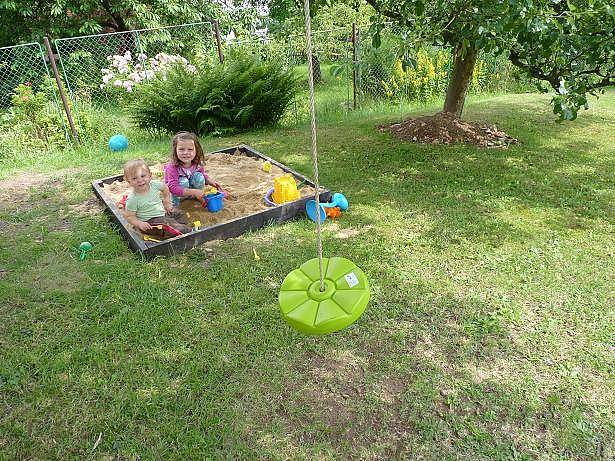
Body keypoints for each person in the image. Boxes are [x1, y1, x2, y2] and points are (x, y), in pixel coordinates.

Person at [123, 159, 192, 236]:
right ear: (128, 181)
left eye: (143, 176)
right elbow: (130, 216)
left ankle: (181, 228)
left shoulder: (154, 185)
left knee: (179, 213)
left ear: (150, 175)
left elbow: (165, 188)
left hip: (163, 213)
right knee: (167, 224)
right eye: (134, 178)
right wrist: (139, 223)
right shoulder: (133, 199)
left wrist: (167, 202)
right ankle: (185, 231)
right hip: (150, 223)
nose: (140, 180)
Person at [164, 131, 221, 206]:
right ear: (175, 150)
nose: (186, 152)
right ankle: (175, 204)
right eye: (181, 149)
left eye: (190, 149)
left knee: (199, 177)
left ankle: (197, 196)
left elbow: (203, 175)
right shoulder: (172, 166)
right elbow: (173, 188)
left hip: (190, 189)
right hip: (176, 192)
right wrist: (195, 192)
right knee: (183, 182)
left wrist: (211, 182)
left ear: (196, 150)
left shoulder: (197, 163)